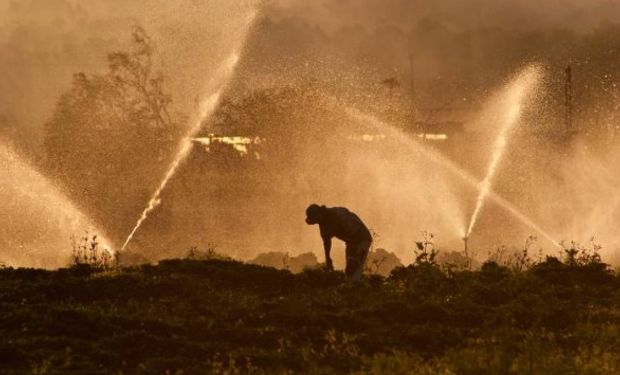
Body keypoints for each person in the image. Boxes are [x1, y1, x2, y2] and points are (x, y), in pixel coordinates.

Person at [305, 204, 372, 281]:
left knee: (353, 271)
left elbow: (354, 234)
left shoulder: (339, 214)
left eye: (315, 219)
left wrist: (353, 258)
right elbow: (326, 241)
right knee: (351, 273)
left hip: (362, 239)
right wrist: (328, 259)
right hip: (350, 242)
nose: (316, 222)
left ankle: (356, 285)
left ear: (320, 214)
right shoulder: (322, 222)